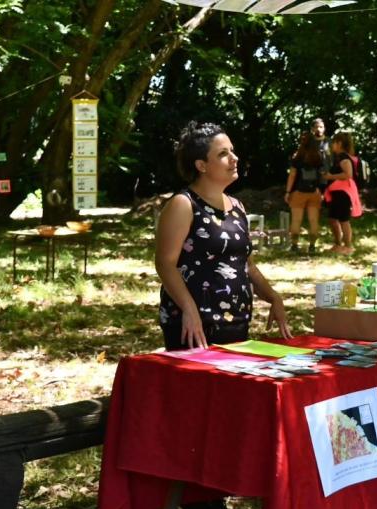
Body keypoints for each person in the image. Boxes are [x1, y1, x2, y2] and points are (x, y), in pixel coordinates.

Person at [156, 121, 292, 351]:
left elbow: (246, 265)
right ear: (201, 165)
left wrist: (273, 297)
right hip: (194, 327)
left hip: (236, 323)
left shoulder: (237, 206)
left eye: (232, 150)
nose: (234, 157)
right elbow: (164, 263)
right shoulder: (183, 204)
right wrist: (189, 310)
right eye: (223, 153)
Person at [323, 132, 363, 254]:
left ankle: (348, 246)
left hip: (343, 193)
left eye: (334, 143)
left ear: (339, 144)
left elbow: (348, 175)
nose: (332, 145)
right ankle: (337, 244)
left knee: (343, 220)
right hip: (336, 193)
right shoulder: (338, 158)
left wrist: (330, 176)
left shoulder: (344, 158)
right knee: (332, 218)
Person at [284, 132, 324, 254]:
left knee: (296, 220)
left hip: (298, 192)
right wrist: (320, 189)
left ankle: (294, 246)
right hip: (314, 192)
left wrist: (288, 192)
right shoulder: (318, 157)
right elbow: (322, 175)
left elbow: (292, 175)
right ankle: (312, 246)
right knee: (313, 220)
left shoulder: (298, 157)